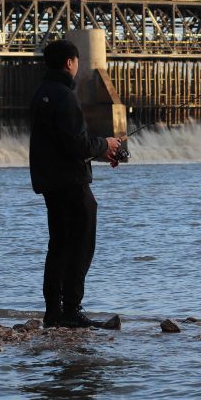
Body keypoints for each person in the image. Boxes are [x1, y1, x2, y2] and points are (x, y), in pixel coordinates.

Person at [29, 39, 121, 328]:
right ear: (70, 62)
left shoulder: (41, 93)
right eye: (77, 61)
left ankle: (53, 312)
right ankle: (72, 309)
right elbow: (76, 144)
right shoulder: (65, 96)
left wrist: (99, 151)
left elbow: (62, 143)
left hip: (50, 181)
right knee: (81, 244)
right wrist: (104, 143)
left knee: (58, 245)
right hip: (71, 182)